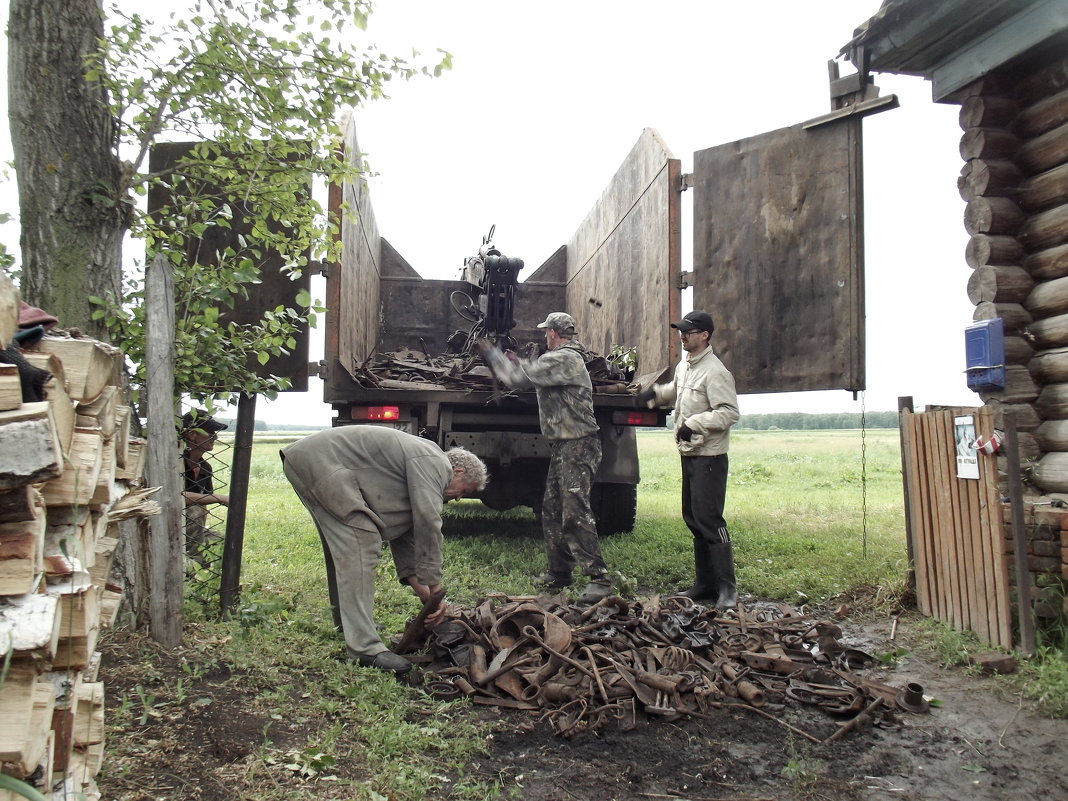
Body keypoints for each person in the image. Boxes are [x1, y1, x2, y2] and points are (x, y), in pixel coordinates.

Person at [280, 425, 488, 674]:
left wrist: (425, 594)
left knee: (346, 547)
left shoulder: (422, 463)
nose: (457, 499)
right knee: (361, 541)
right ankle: (365, 648)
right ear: (458, 470)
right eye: (464, 491)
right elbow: (427, 521)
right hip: (321, 461)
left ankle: (351, 626)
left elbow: (405, 532)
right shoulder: (435, 463)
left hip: (312, 459)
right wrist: (434, 586)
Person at [479, 312, 613, 605]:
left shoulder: (563, 358)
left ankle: (599, 578)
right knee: (552, 508)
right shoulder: (561, 359)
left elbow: (516, 379)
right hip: (565, 444)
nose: (544, 336)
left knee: (574, 509)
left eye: (546, 332)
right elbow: (532, 370)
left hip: (577, 444)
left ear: (553, 333)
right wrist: (518, 360)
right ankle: (560, 572)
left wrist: (493, 355)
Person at [636, 310, 740, 610]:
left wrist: (694, 424)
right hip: (690, 454)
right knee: (693, 517)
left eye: (689, 331)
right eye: (682, 331)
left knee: (710, 519)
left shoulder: (716, 371)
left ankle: (727, 589)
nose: (683, 335)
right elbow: (677, 391)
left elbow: (729, 412)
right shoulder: (686, 366)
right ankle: (705, 584)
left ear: (705, 335)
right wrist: (654, 395)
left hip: (710, 457)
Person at [180, 409, 230, 562]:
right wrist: (219, 498)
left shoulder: (205, 468)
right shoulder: (176, 462)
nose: (215, 436)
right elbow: (176, 496)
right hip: (170, 524)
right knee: (195, 510)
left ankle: (203, 571)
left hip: (191, 528)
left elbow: (204, 506)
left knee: (222, 541)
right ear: (191, 434)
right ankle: (191, 570)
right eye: (209, 431)